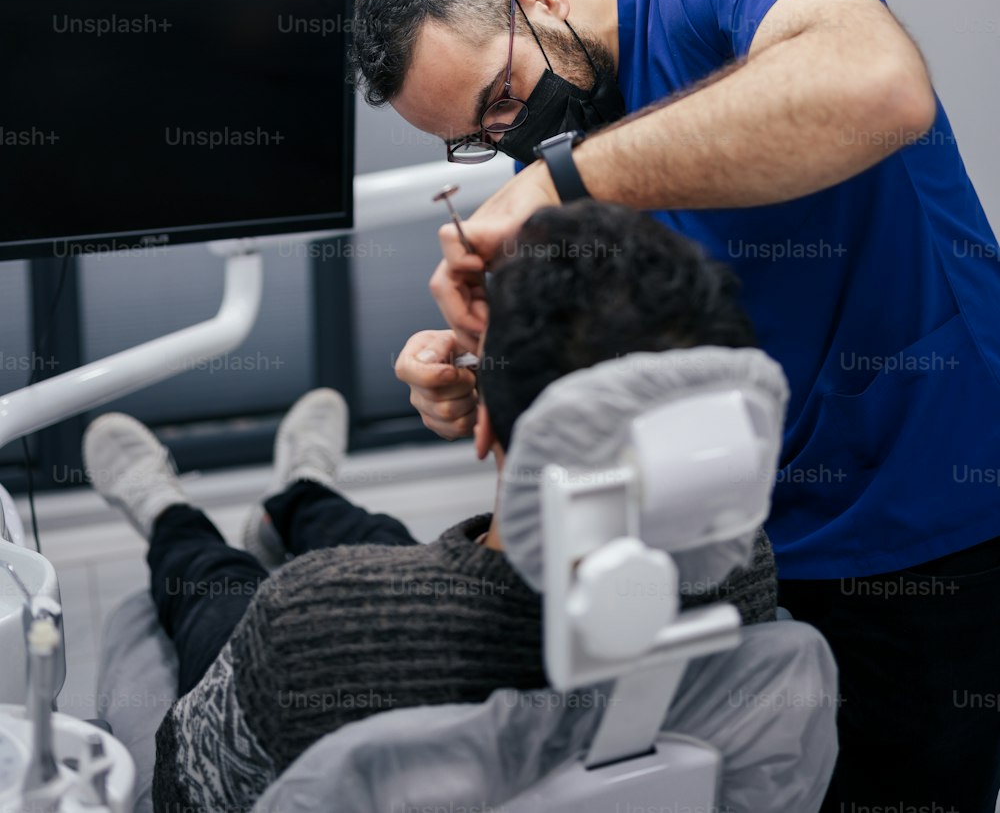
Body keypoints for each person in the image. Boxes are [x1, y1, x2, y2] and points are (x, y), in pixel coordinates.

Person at [352, 0, 1000, 813]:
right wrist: (483, 371)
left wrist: (561, 182)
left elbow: (878, 89)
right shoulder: (570, 134)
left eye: (502, 96)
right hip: (754, 525)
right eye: (476, 137)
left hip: (928, 499)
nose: (507, 139)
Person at [84, 204, 797, 813]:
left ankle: (169, 512)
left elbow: (188, 789)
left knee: (214, 587)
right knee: (388, 548)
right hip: (428, 599)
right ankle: (301, 492)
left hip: (301, 654)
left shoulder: (314, 620)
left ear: (482, 425)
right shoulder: (743, 578)